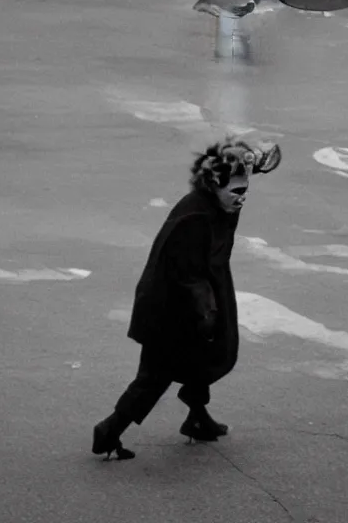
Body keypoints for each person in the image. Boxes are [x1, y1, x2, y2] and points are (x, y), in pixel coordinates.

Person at [92, 139, 282, 461]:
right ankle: (109, 431)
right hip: (172, 309)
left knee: (205, 356)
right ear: (214, 186)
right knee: (155, 376)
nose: (242, 197)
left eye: (245, 189)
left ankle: (197, 418)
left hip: (201, 295)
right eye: (236, 191)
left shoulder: (218, 203)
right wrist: (206, 309)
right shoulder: (194, 218)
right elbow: (183, 273)